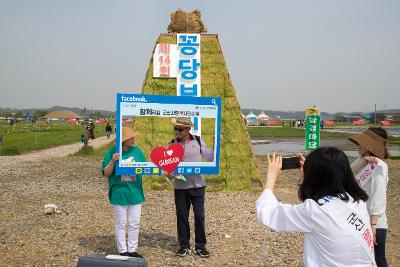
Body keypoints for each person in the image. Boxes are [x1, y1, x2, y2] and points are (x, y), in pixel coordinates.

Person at [256, 147, 376, 267]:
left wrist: (271, 175)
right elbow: (323, 200)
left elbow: (268, 212)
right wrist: (308, 176)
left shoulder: (315, 211)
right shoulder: (356, 200)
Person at [167, 118, 215, 258]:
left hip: (198, 185)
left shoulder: (198, 141)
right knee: (182, 217)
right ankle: (184, 246)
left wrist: (216, 144)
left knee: (199, 216)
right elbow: (168, 168)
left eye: (180, 129)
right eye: (175, 129)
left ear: (188, 129)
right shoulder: (171, 144)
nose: (177, 131)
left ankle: (200, 246)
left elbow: (210, 157)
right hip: (180, 187)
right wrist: (168, 173)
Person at [101, 126, 146, 258]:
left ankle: (132, 249)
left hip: (135, 192)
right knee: (120, 223)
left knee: (134, 223)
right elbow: (105, 173)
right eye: (129, 137)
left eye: (132, 136)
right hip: (119, 193)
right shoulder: (111, 152)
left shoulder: (137, 151)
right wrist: (113, 161)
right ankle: (122, 250)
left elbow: (144, 169)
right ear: (122, 140)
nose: (132, 139)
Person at [349, 127, 389, 267]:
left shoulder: (378, 166)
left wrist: (373, 225)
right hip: (360, 220)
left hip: (375, 223)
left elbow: (379, 197)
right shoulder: (361, 160)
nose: (358, 145)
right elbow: (346, 175)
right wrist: (363, 163)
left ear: (369, 145)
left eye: (361, 142)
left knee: (378, 260)